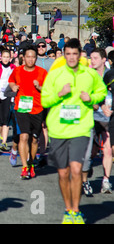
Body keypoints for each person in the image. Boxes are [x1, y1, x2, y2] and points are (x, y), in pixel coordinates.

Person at [41, 38, 107, 224]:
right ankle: (68, 208)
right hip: (59, 129)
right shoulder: (55, 74)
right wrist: (59, 94)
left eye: (74, 54)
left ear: (80, 55)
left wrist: (91, 97)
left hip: (81, 128)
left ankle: (76, 211)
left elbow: (101, 92)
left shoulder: (89, 74)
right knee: (63, 173)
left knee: (76, 170)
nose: (71, 57)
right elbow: (45, 100)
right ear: (64, 55)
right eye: (67, 54)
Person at [8, 45, 48, 179]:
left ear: (36, 58)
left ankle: (31, 163)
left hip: (37, 108)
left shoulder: (42, 72)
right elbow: (11, 81)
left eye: (33, 57)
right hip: (22, 107)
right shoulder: (17, 71)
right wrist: (14, 86)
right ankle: (24, 167)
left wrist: (40, 87)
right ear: (23, 58)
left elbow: (48, 91)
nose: (30, 59)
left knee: (34, 139)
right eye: (28, 57)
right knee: (23, 136)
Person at [81, 48, 112, 196]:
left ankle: (105, 180)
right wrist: (96, 105)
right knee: (90, 153)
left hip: (107, 118)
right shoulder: (87, 75)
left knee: (108, 149)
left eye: (95, 58)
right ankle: (85, 175)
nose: (92, 61)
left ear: (103, 60)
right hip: (90, 116)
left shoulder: (110, 74)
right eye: (90, 58)